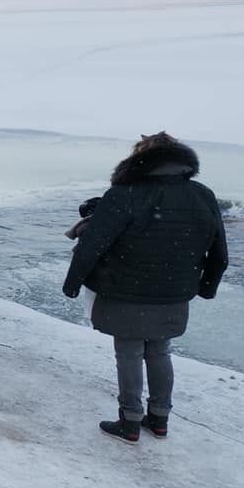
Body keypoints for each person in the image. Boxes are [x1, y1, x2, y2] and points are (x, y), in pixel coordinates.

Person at [64, 133, 229, 443]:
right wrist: (206, 287)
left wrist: (72, 284)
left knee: (128, 353)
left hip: (124, 289)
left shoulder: (124, 194)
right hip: (174, 291)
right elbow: (219, 251)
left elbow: (92, 245)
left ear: (140, 159)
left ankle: (129, 421)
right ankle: (159, 419)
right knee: (160, 350)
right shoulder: (202, 195)